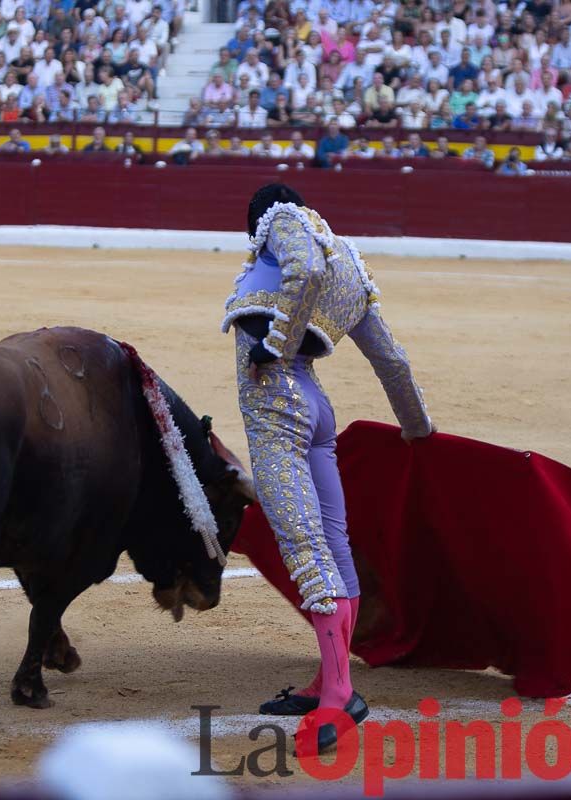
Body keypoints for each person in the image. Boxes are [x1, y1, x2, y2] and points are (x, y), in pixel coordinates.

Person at [224, 184, 434, 755]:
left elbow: (305, 269)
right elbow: (391, 358)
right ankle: (329, 678)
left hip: (277, 403)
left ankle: (338, 695)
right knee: (333, 545)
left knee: (305, 547)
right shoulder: (353, 267)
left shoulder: (283, 221)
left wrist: (274, 342)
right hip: (315, 403)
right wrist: (417, 426)